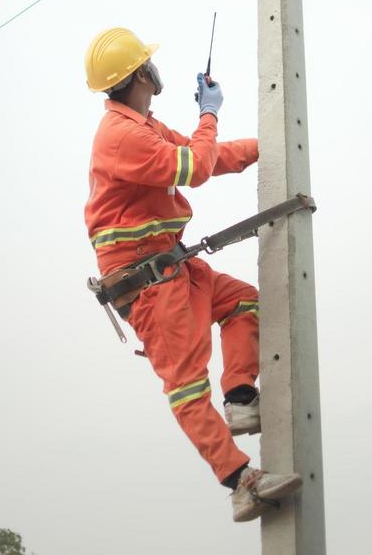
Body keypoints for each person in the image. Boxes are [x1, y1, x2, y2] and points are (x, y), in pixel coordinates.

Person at [83, 27, 303, 522]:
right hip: (147, 286)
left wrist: (269, 143)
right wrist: (210, 113)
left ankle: (242, 397)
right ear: (142, 73)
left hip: (171, 268)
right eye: (149, 64)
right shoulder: (121, 136)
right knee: (186, 386)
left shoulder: (141, 126)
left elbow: (210, 156)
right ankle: (242, 482)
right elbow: (196, 168)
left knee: (244, 301)